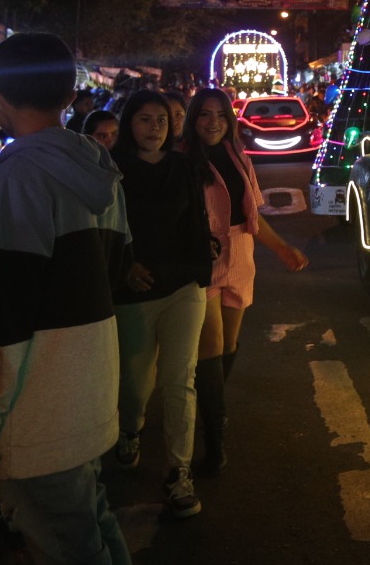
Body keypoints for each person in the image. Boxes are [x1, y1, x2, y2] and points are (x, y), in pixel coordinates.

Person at [0, 32, 144, 565]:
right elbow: (116, 269)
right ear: (69, 91)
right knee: (91, 528)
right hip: (87, 384)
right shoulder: (98, 166)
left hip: (34, 404)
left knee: (71, 557)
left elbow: (4, 318)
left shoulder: (15, 178)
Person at [179, 89, 307, 479]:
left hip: (240, 255)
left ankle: (209, 405)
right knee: (212, 344)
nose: (212, 122)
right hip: (201, 259)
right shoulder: (182, 160)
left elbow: (253, 216)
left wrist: (282, 248)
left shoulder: (238, 157)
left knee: (228, 347)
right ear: (193, 119)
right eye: (204, 115)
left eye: (219, 115)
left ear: (229, 120)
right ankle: (214, 440)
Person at [110, 91, 213, 519]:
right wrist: (125, 265)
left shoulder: (183, 166)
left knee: (179, 379)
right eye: (144, 119)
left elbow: (196, 218)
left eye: (161, 121)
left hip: (183, 285)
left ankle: (178, 470)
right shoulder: (113, 171)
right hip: (135, 290)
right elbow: (108, 226)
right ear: (129, 125)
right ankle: (130, 430)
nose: (154, 127)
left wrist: (204, 257)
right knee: (135, 383)